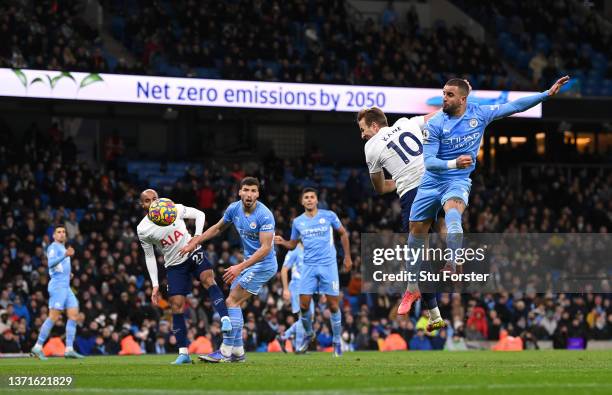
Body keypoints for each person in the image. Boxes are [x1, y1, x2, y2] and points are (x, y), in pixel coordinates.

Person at [408, 76, 570, 331]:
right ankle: (411, 284)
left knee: (453, 213)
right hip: (431, 182)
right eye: (443, 93)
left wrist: (546, 94)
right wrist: (453, 163)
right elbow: (429, 162)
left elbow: (514, 106)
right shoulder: (435, 122)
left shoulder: (479, 114)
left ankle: (452, 260)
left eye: (449, 95)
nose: (444, 98)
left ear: (462, 98)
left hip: (457, 181)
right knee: (415, 232)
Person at [180, 177, 277, 363]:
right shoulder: (234, 209)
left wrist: (239, 266)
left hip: (264, 264)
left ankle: (225, 352)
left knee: (231, 301)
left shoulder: (265, 215)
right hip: (251, 263)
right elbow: (217, 228)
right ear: (240, 191)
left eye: (253, 191)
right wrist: (195, 241)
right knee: (234, 301)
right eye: (246, 190)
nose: (249, 194)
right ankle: (238, 352)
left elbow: (265, 249)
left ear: (258, 194)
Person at [359, 107, 444, 318]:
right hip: (437, 181)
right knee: (439, 230)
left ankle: (425, 304)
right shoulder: (407, 122)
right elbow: (440, 115)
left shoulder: (371, 146)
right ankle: (454, 262)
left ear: (375, 126)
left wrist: (398, 180)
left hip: (414, 192)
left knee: (416, 252)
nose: (362, 135)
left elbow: (380, 188)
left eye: (363, 129)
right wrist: (462, 98)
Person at [137, 189, 231, 365]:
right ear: (143, 205)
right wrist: (155, 284)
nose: (153, 202)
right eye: (148, 201)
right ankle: (183, 354)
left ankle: (225, 319)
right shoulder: (143, 229)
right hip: (174, 265)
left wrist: (196, 238)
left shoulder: (173, 208)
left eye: (155, 198)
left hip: (193, 251)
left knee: (207, 278)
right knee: (176, 306)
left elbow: (200, 214)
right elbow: (149, 256)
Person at [275, 187, 352, 357]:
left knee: (333, 305)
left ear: (317, 200)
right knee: (303, 306)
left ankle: (337, 341)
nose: (309, 200)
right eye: (306, 198)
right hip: (309, 267)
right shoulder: (297, 222)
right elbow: (293, 245)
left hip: (328, 265)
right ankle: (309, 334)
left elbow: (343, 234)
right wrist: (283, 242)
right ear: (302, 202)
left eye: (312, 197)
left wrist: (347, 257)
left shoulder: (329, 215)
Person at [30, 225, 84, 359]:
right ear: (54, 236)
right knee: (53, 317)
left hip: (66, 286)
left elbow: (59, 267)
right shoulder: (53, 247)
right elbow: (50, 264)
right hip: (58, 286)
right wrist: (65, 255)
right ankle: (37, 347)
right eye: (58, 232)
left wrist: (68, 274)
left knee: (73, 315)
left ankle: (69, 349)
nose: (61, 234)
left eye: (63, 232)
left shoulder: (63, 248)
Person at [278, 241, 315, 352]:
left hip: (307, 287)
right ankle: (299, 347)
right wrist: (285, 289)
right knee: (303, 316)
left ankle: (284, 337)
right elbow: (284, 270)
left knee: (309, 317)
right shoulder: (294, 250)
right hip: (297, 286)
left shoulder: (308, 250)